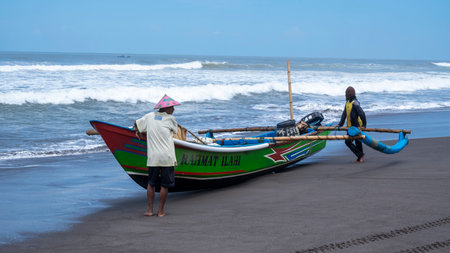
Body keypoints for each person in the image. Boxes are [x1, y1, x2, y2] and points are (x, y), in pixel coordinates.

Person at [134, 94, 180, 217]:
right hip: (166, 158)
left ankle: (149, 210)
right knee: (165, 185)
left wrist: (137, 131)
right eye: (172, 107)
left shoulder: (148, 116)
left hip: (153, 157)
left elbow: (136, 123)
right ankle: (160, 212)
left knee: (151, 183)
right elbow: (175, 130)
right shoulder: (170, 119)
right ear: (165, 108)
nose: (173, 109)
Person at [337, 86, 367, 162]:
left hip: (357, 127)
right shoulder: (347, 103)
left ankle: (360, 156)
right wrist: (340, 124)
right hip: (350, 127)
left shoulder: (355, 103)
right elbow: (344, 114)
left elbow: (362, 113)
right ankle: (360, 156)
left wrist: (364, 125)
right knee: (353, 141)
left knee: (353, 141)